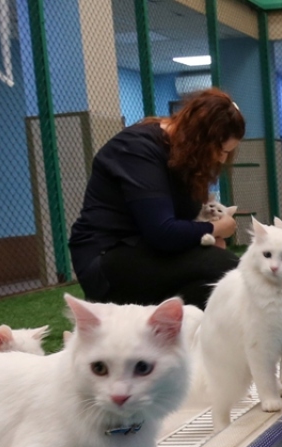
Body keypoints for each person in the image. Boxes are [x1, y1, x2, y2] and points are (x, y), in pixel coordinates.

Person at [68, 88, 245, 309]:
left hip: (145, 249)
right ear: (200, 139)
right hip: (107, 257)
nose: (222, 158)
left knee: (217, 285)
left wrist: (208, 235)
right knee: (225, 268)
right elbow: (162, 232)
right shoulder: (137, 149)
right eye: (220, 150)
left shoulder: (182, 155)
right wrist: (217, 228)